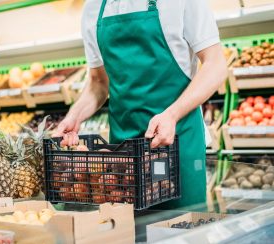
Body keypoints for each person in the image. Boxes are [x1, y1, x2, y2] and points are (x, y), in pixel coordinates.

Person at [54, 0, 228, 208]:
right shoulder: (93, 8)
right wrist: (74, 116)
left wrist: (171, 115)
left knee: (180, 233)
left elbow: (215, 64)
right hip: (121, 157)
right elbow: (99, 82)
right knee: (130, 235)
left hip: (177, 143)